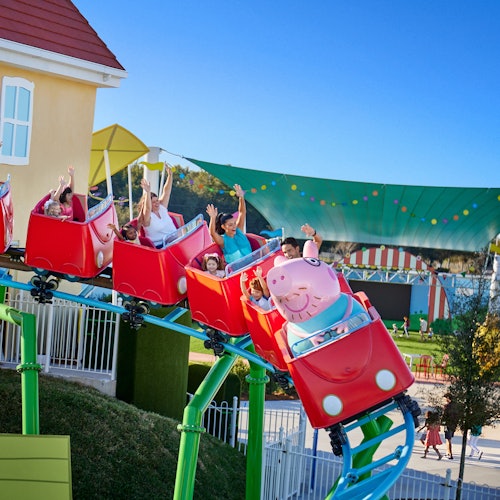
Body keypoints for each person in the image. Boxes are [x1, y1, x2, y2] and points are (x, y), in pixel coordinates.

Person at [206, 184, 252, 264]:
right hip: (237, 270)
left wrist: (241, 197)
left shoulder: (239, 231)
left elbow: (242, 212)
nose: (234, 226)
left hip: (252, 265)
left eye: (234, 223)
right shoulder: (223, 240)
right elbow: (212, 233)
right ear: (223, 226)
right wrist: (213, 218)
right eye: (230, 225)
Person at [138, 168, 178, 248]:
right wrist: (148, 192)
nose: (157, 203)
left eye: (157, 200)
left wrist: (170, 176)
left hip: (175, 240)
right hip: (161, 246)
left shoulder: (161, 208)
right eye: (154, 202)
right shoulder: (147, 218)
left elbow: (166, 192)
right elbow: (148, 208)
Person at [442, 392, 459, 459]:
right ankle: (447, 452)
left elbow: (444, 416)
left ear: (448, 398)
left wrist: (441, 422)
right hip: (454, 424)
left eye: (446, 398)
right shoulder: (456, 406)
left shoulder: (447, 406)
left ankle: (450, 454)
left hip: (447, 424)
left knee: (448, 439)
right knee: (449, 439)